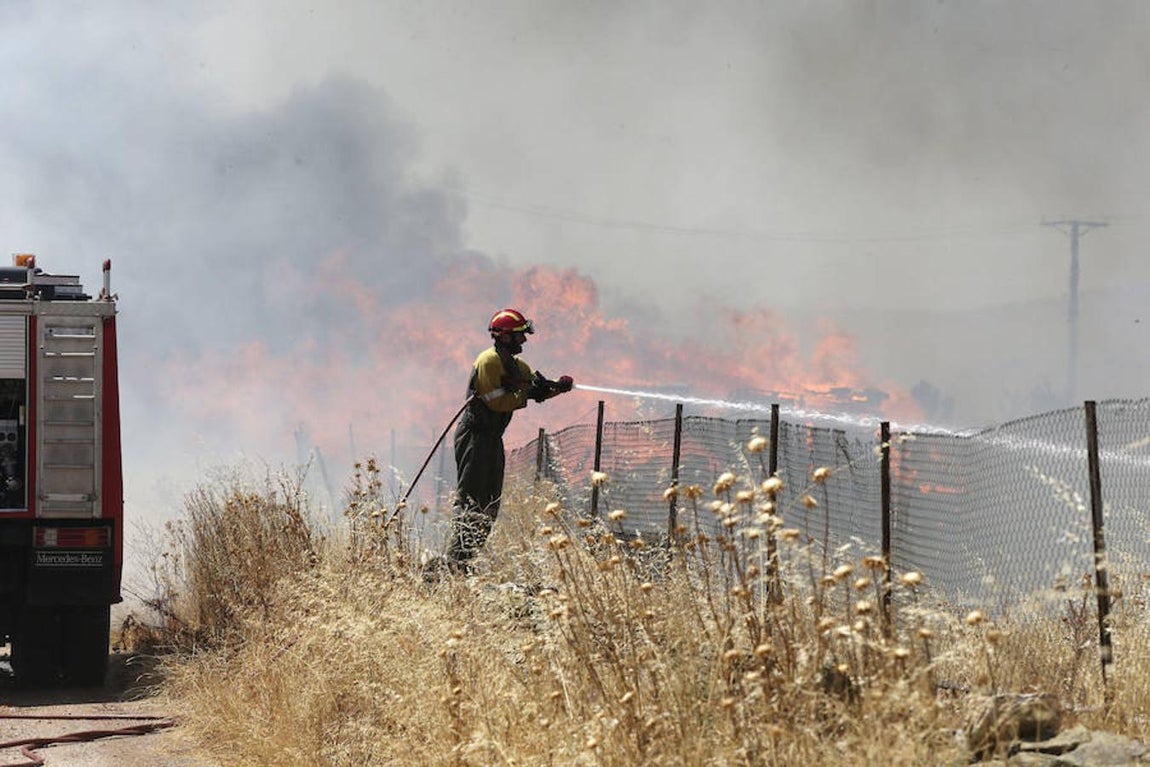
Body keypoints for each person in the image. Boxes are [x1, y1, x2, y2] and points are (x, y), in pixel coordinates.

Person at [445, 308, 573, 570]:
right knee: (471, 499)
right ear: (504, 336)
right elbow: (495, 401)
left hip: (493, 439)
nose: (523, 340)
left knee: (491, 501)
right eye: (518, 335)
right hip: (475, 436)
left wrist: (555, 388)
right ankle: (454, 561)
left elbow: (531, 388)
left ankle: (467, 560)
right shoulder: (488, 361)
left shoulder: (518, 366)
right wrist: (524, 394)